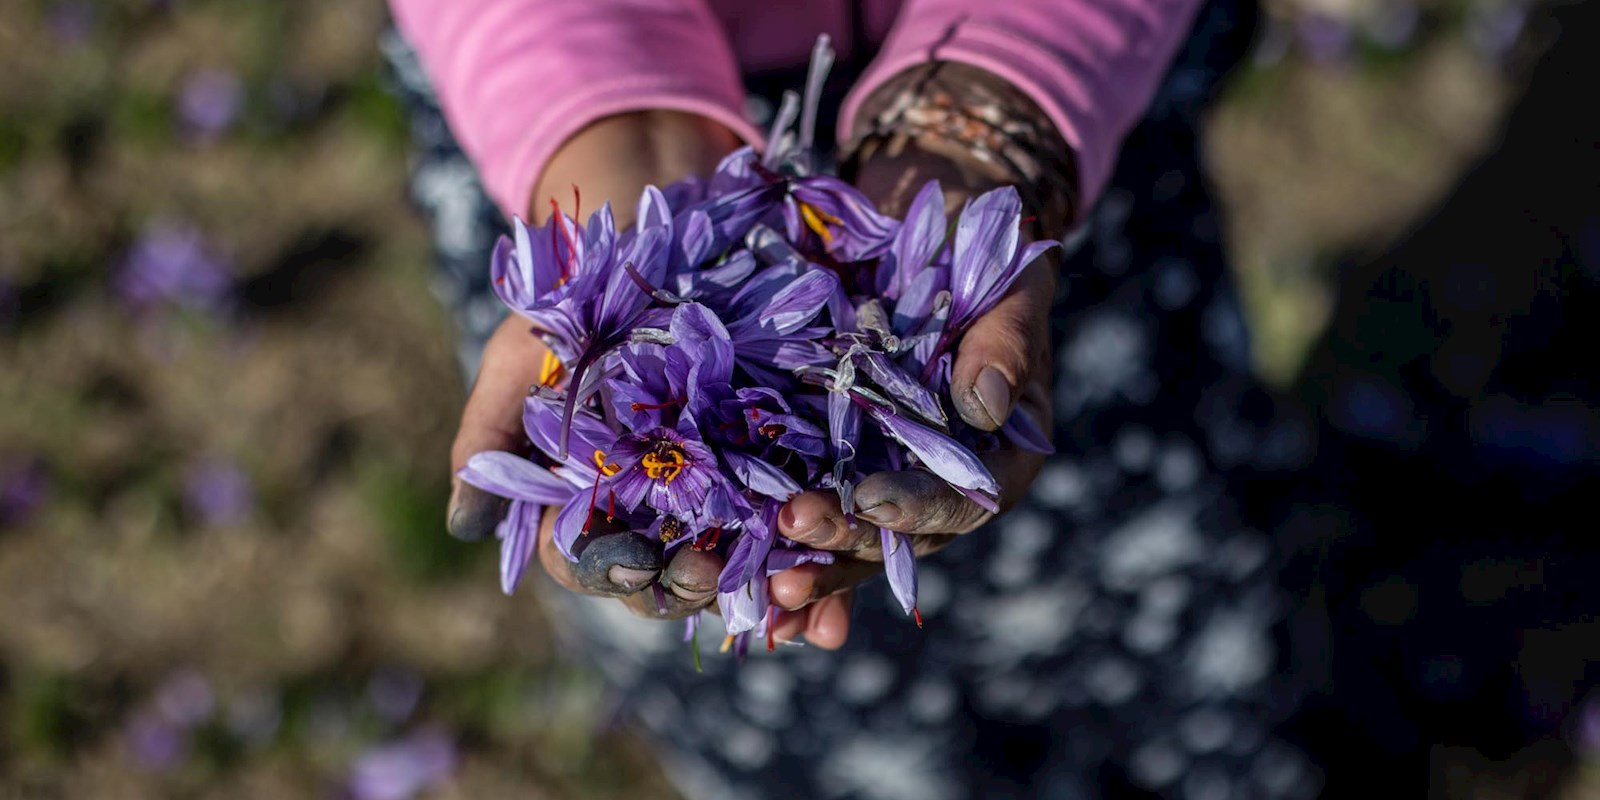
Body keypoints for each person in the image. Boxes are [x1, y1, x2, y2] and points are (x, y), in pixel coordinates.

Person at [384, 1, 1319, 797]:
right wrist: (613, 133)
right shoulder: (608, 303)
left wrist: (986, 120)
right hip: (579, 127)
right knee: (773, 699)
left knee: (1155, 595)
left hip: (1042, 112)